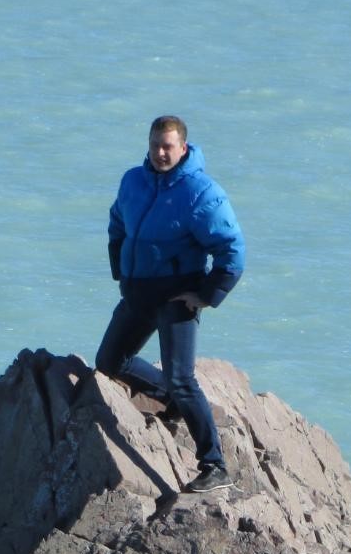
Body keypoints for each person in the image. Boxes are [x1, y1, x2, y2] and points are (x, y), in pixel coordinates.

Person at [94, 116, 245, 492]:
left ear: (183, 148)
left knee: (182, 377)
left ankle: (215, 465)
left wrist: (207, 295)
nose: (161, 153)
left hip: (177, 299)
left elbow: (233, 253)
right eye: (155, 145)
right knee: (110, 362)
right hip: (137, 293)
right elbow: (117, 222)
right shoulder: (133, 180)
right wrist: (121, 270)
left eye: (168, 146)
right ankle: (173, 402)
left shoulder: (201, 192)